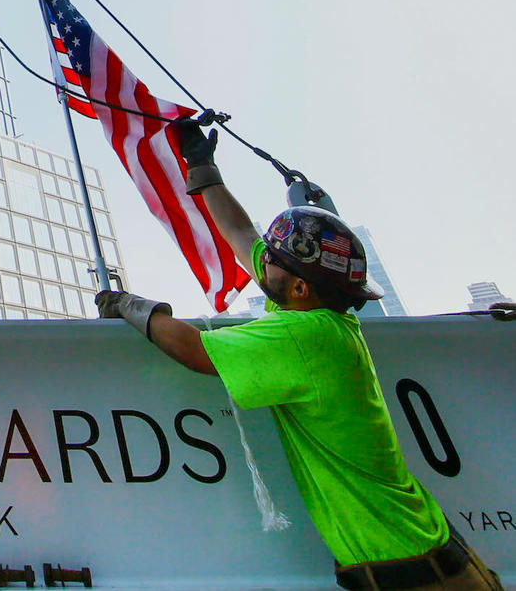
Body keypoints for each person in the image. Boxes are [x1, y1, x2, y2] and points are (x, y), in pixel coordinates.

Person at [95, 120, 504, 591]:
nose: (260, 259)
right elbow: (241, 232)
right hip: (427, 555)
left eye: (272, 257)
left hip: (411, 575)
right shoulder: (325, 314)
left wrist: (130, 306)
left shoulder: (303, 335)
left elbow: (194, 350)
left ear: (300, 286)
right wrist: (203, 169)